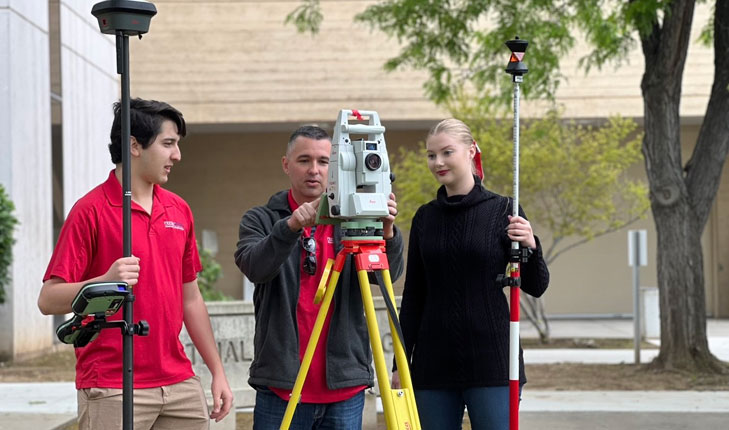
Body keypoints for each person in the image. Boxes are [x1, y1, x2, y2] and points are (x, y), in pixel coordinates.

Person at [38, 98, 233, 430]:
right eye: (168, 144)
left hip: (178, 382)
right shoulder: (90, 211)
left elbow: (191, 299)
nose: (177, 155)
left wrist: (217, 372)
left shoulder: (179, 210)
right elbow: (48, 299)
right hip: (112, 384)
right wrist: (104, 280)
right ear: (134, 146)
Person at [234, 125, 404, 430]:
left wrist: (386, 231)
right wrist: (289, 228)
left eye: (324, 162)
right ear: (286, 165)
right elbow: (254, 267)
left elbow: (387, 276)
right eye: (304, 160)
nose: (314, 170)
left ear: (337, 167)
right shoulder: (260, 218)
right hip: (281, 387)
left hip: (344, 389)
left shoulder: (354, 220)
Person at [393, 118, 550, 429]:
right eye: (431, 155)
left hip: (493, 361)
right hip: (432, 364)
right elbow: (414, 297)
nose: (437, 162)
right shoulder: (425, 218)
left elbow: (536, 285)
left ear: (471, 151)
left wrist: (531, 244)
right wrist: (401, 364)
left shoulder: (505, 209)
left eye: (447, 152)